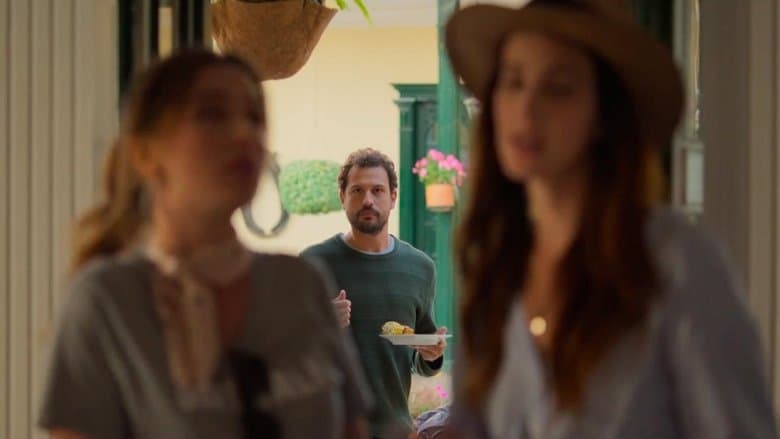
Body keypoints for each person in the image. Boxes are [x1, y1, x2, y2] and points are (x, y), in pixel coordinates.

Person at [444, 1, 778, 438]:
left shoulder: (676, 262)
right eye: (513, 82)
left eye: (558, 88)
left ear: (603, 114)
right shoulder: (497, 263)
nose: (526, 109)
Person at [38, 49, 371, 439]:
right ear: (145, 153)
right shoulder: (106, 302)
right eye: (212, 114)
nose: (244, 134)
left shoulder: (301, 284)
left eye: (255, 118)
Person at [301, 149, 447, 439]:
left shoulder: (420, 268)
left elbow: (419, 358)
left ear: (393, 197)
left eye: (377, 190)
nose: (368, 199)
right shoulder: (312, 264)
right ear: (342, 197)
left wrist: (432, 356)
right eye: (357, 190)